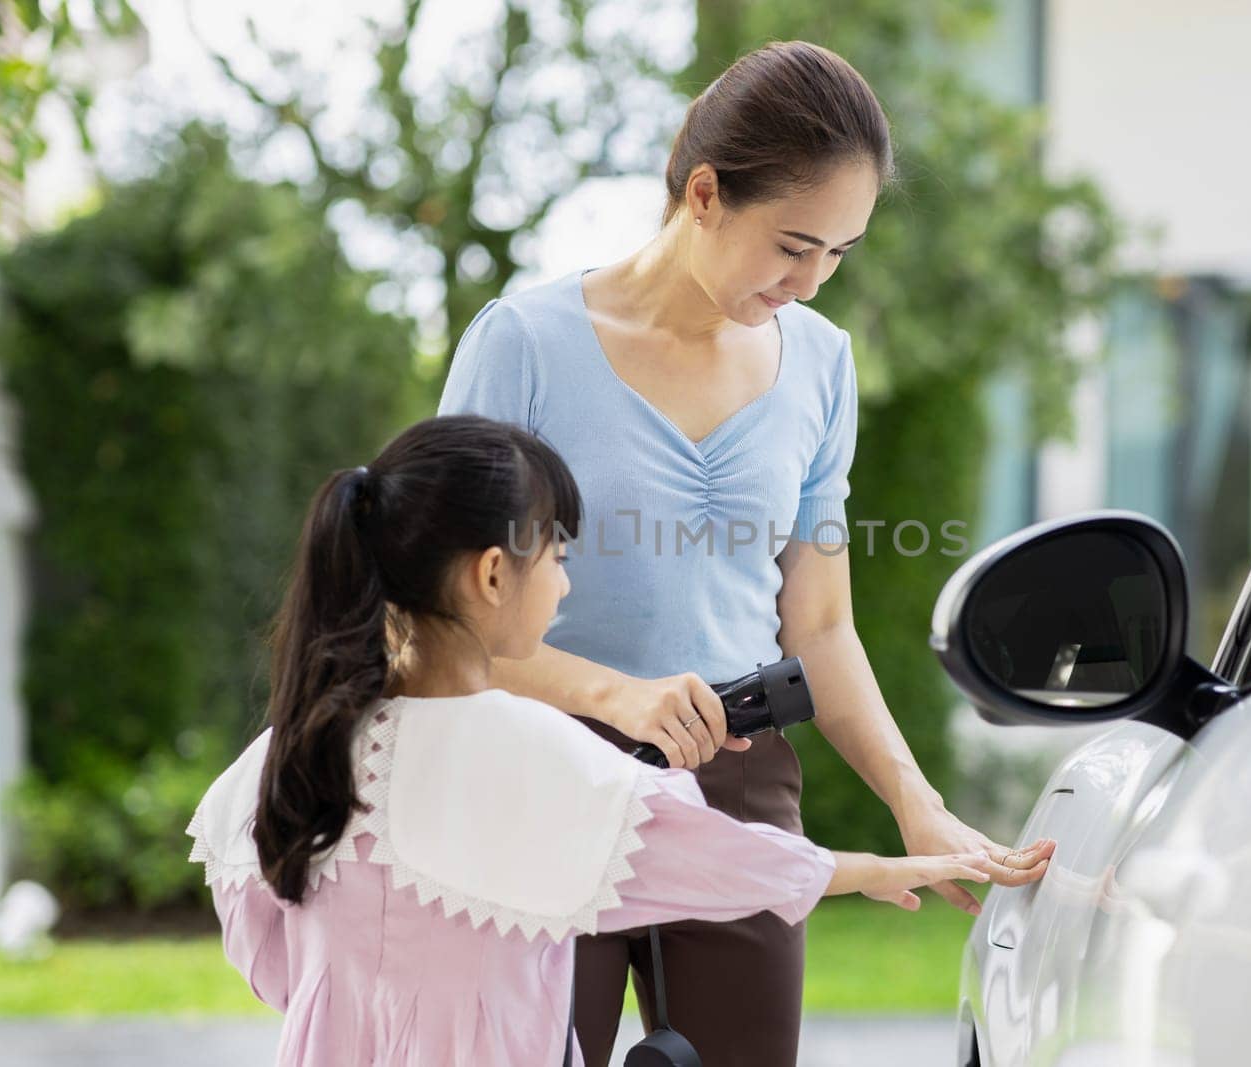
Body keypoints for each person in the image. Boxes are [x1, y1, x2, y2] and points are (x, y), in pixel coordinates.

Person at [438, 39, 1047, 1066]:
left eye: (839, 254)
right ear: (707, 194)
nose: (809, 283)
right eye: (793, 244)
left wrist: (914, 797)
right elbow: (434, 619)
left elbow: (818, 625)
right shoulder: (524, 346)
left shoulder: (821, 365)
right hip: (536, 777)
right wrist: (616, 696)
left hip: (736, 777)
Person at [186, 415, 1054, 1067]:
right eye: (559, 555)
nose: (567, 582)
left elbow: (264, 946)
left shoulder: (289, 749)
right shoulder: (537, 754)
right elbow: (719, 862)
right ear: (494, 573)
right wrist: (885, 867)